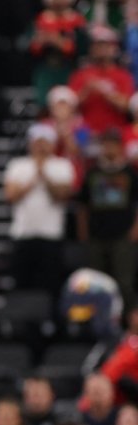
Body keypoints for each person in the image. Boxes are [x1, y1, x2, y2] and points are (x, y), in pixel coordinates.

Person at [3, 123, 77, 293]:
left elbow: (63, 196)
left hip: (51, 233)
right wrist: (35, 174)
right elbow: (10, 196)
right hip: (23, 232)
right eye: (37, 142)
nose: (41, 146)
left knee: (50, 284)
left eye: (45, 142)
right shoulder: (18, 165)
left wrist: (45, 174)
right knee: (21, 282)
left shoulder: (62, 165)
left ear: (52, 144)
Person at [79, 128, 138, 307]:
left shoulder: (130, 173)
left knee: (124, 282)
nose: (109, 148)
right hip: (97, 234)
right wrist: (83, 231)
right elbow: (83, 205)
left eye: (113, 144)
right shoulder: (92, 173)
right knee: (96, 282)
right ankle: (99, 324)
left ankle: (129, 325)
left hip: (123, 234)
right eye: (106, 144)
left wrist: (136, 228)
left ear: (120, 147)